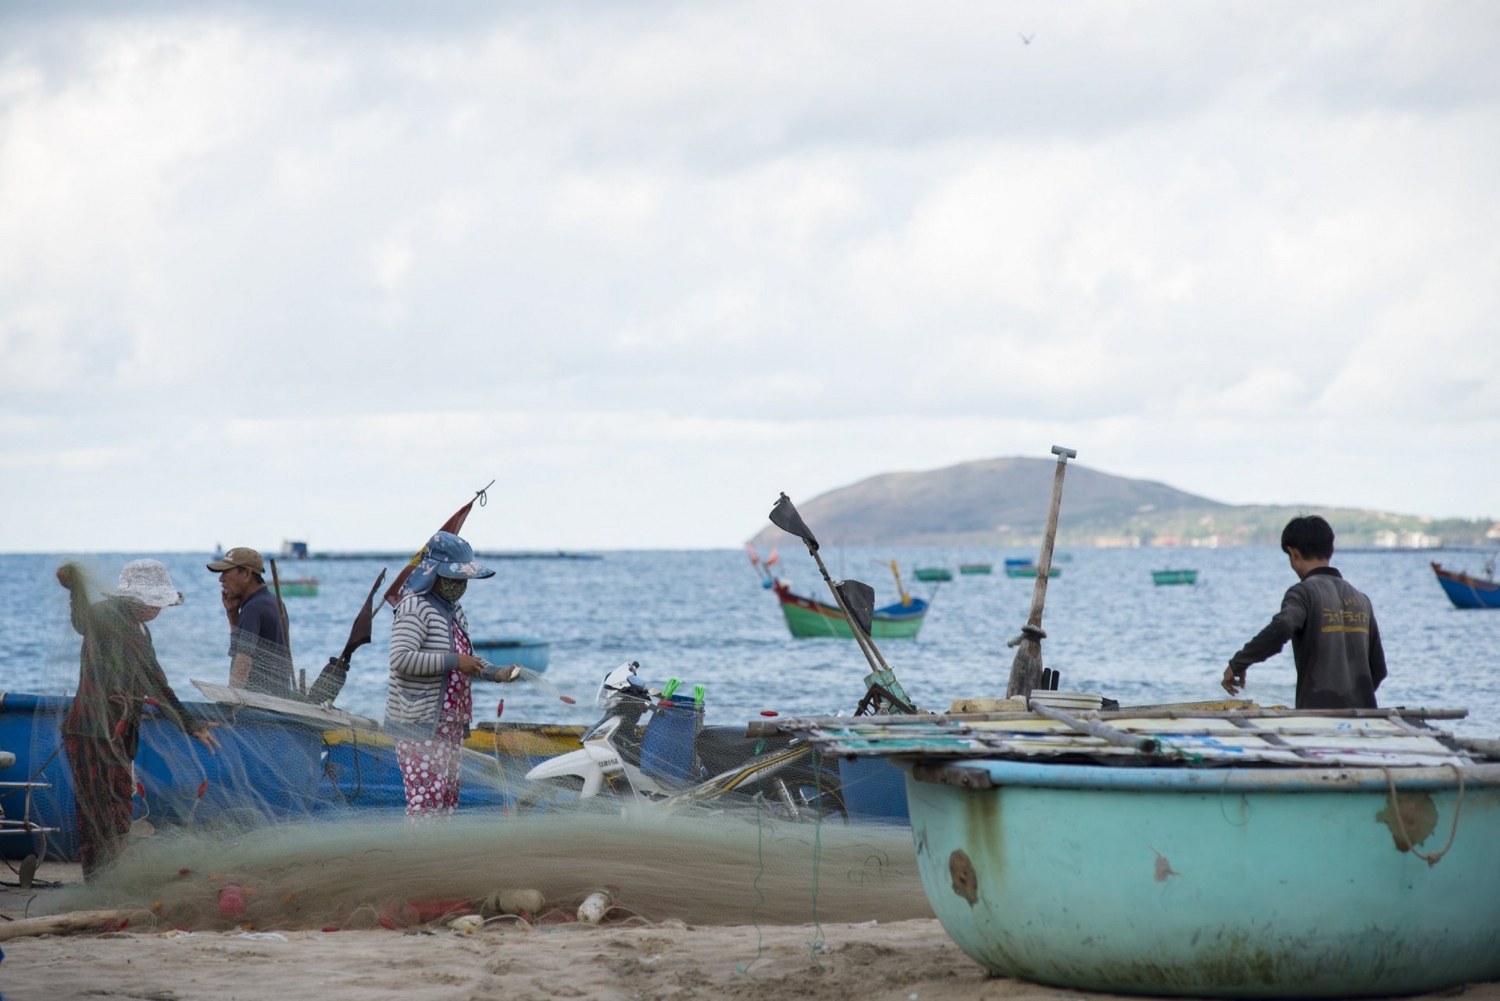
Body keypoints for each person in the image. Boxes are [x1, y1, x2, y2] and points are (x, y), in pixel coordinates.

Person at [57, 559, 220, 879]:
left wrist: (191, 724)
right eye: (152, 601)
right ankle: (98, 882)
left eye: (159, 602)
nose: (157, 609)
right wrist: (75, 587)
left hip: (118, 733)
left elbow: (154, 682)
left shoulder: (139, 629)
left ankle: (109, 876)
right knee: (96, 814)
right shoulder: (106, 615)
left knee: (119, 808)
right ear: (133, 597)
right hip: (90, 730)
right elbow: (82, 622)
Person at [385, 531, 520, 819]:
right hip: (420, 725)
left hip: (450, 725)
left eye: (463, 580)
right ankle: (420, 850)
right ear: (434, 574)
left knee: (447, 800)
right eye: (453, 579)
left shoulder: (454, 610)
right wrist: (454, 662)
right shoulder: (414, 607)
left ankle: (438, 849)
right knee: (425, 803)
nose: (460, 586)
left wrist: (496, 673)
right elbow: (401, 658)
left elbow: (467, 659)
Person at [1222, 515, 1387, 709]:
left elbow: (1282, 626)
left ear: (1294, 554)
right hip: (1364, 716)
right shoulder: (1361, 599)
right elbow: (1379, 669)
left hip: (1317, 716)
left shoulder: (1303, 593)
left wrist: (1239, 662)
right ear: (1330, 549)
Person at [207, 547, 292, 696]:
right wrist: (233, 615)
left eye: (226, 572)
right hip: (280, 699)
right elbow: (242, 648)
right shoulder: (275, 602)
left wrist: (232, 700)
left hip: (260, 702)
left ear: (246, 574)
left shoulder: (253, 609)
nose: (221, 579)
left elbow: (243, 659)